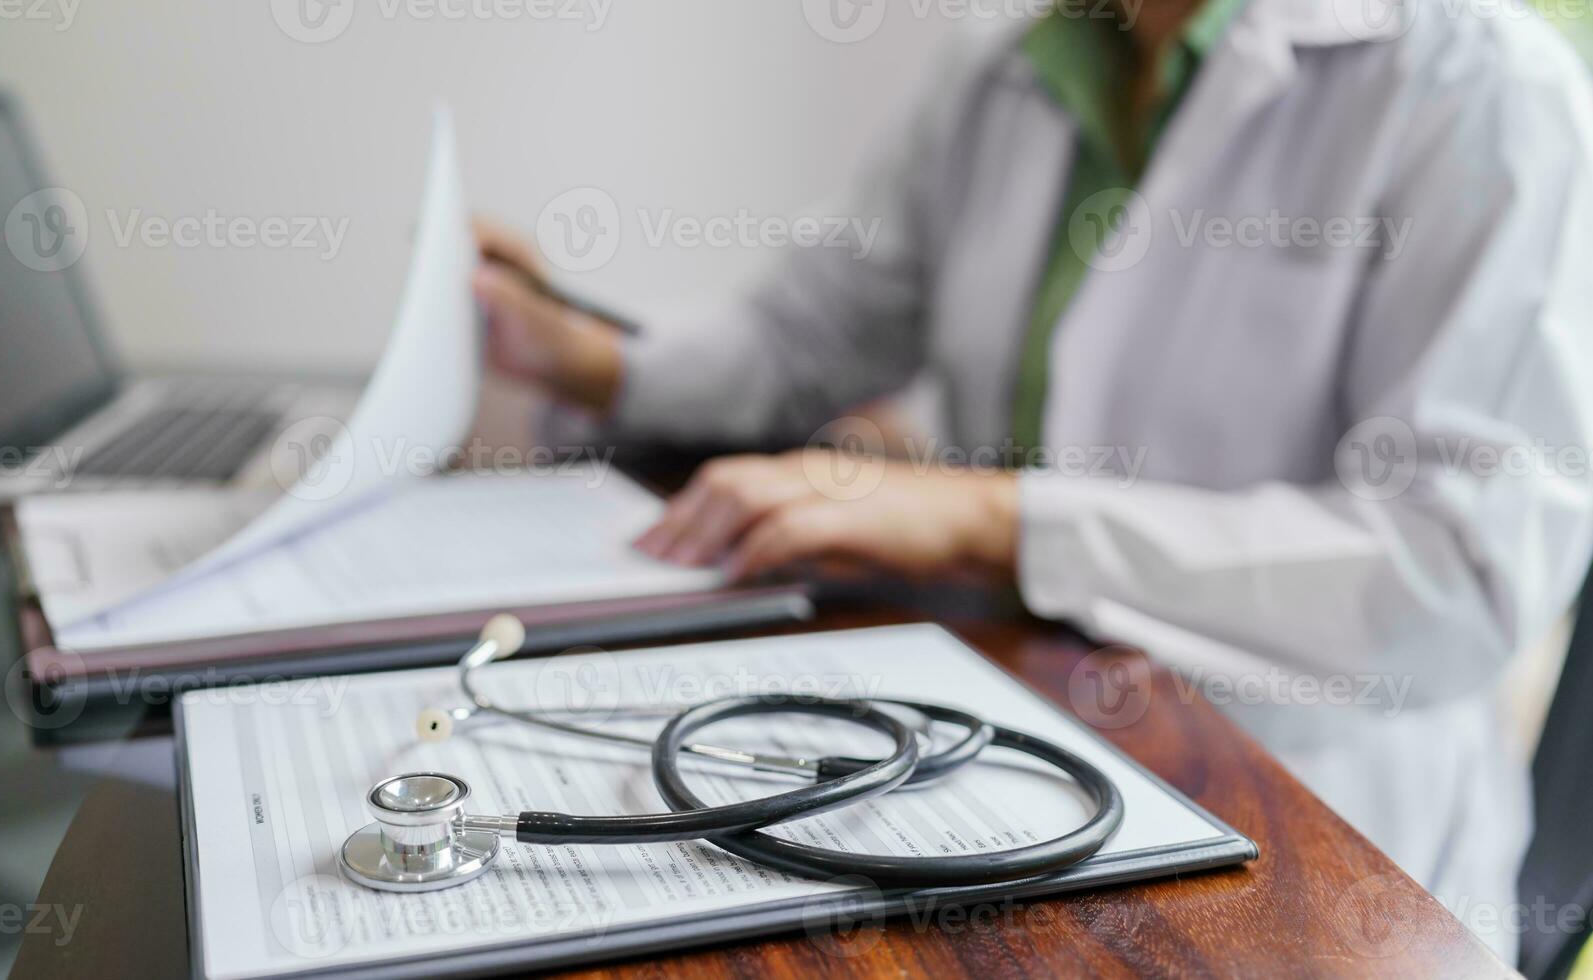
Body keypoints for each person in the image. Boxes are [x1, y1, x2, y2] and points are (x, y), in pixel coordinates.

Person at [471, 0, 1593, 960]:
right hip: (1003, 738)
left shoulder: (1481, 85)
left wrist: (996, 518)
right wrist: (583, 354)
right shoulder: (1012, 59)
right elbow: (804, 338)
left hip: (1311, 824)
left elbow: (1456, 572)